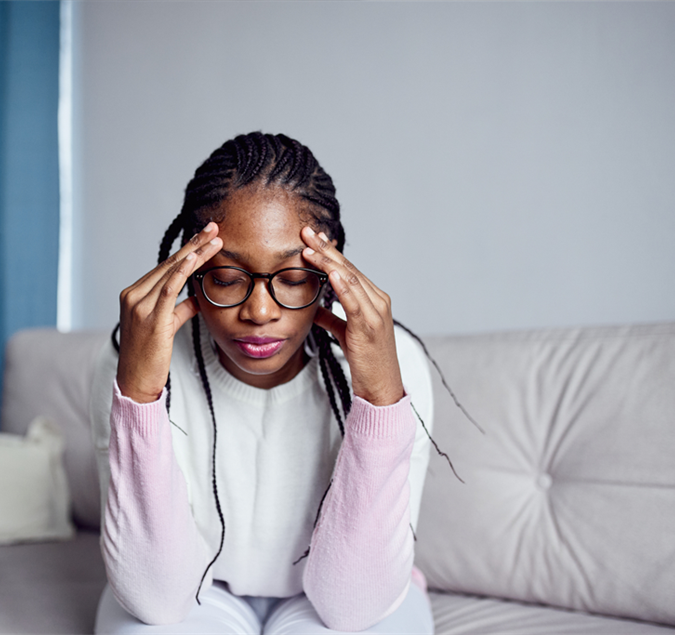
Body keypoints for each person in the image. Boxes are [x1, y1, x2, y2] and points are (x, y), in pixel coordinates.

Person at [90, 132, 435, 634]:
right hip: (195, 595)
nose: (259, 311)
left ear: (329, 272)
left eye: (293, 278)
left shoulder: (395, 362)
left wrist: (379, 401)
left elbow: (353, 609)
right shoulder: (135, 357)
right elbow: (157, 600)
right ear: (190, 271)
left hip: (347, 600)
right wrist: (139, 398)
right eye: (227, 278)